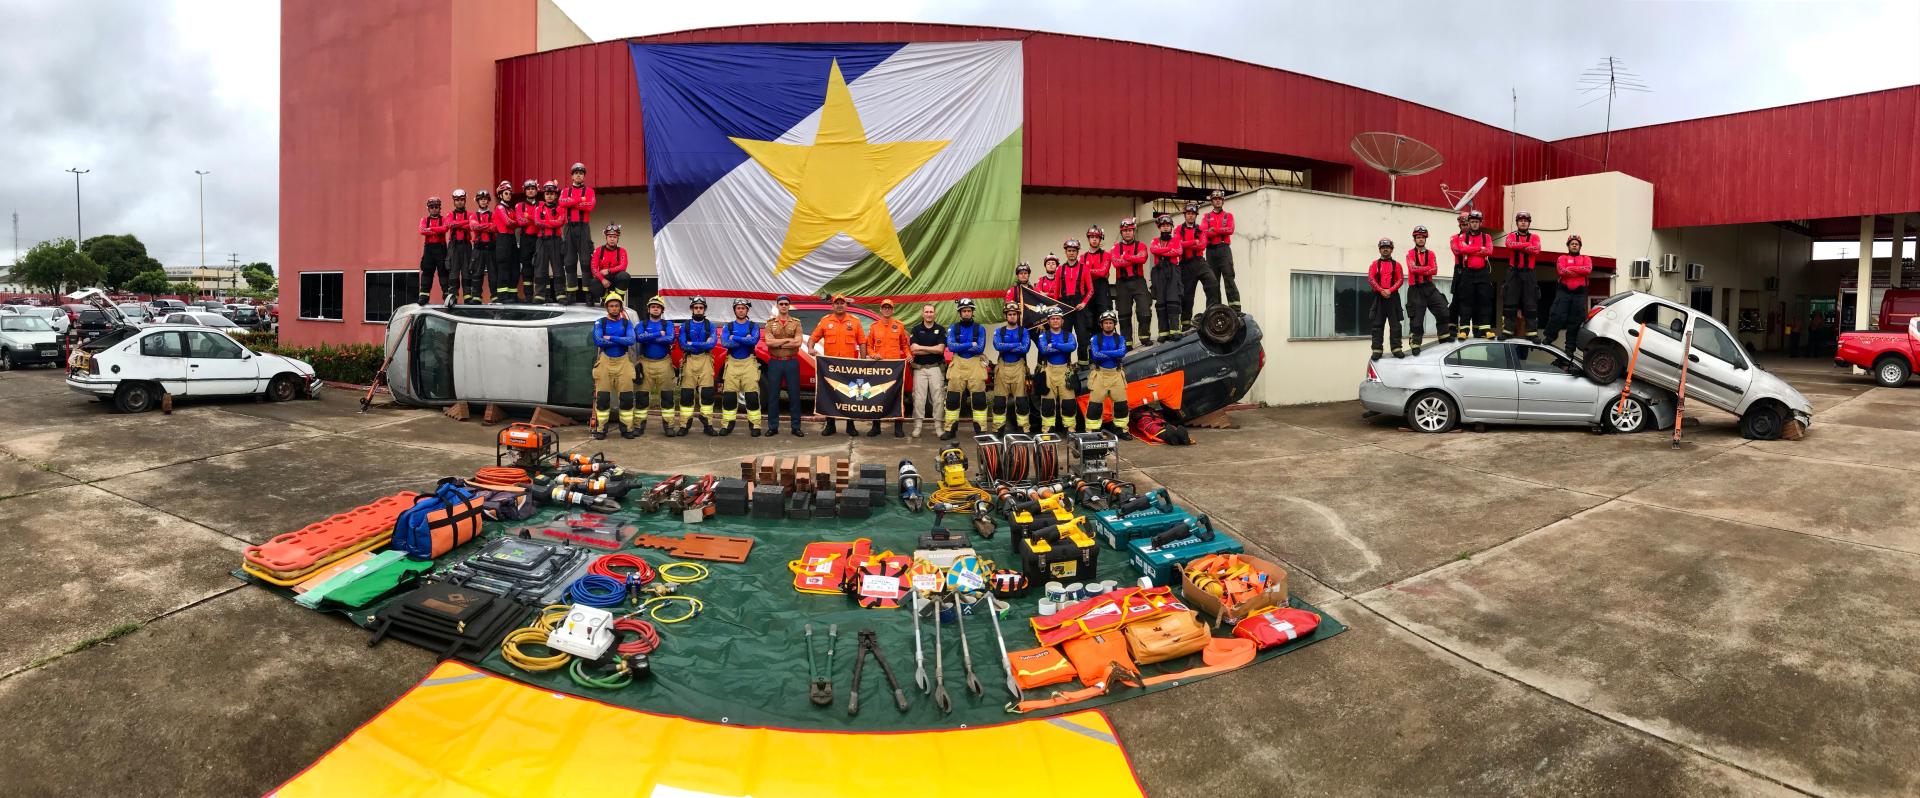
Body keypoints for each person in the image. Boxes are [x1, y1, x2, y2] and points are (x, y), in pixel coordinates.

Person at [809, 294, 866, 438]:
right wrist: (810, 348)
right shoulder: (825, 321)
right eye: (837, 303)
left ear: (846, 305)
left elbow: (862, 342)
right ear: (832, 306)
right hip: (831, 366)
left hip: (849, 366)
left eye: (842, 303)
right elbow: (813, 338)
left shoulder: (854, 321)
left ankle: (850, 425)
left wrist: (864, 360)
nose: (839, 305)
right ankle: (830, 425)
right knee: (830, 395)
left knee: (851, 395)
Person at [589, 291, 639, 440]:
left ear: (620, 308)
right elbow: (598, 341)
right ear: (607, 308)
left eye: (617, 306)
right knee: (603, 399)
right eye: (611, 306)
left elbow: (631, 340)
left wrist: (610, 337)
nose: (614, 308)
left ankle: (627, 429)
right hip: (605, 361)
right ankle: (601, 429)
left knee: (626, 398)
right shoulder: (600, 322)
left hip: (624, 361)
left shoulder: (626, 323)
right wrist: (620, 339)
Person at [941, 298, 988, 440]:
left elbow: (980, 348)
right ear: (960, 313)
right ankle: (950, 430)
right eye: (964, 311)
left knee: (979, 399)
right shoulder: (953, 328)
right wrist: (970, 343)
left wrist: (961, 344)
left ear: (972, 312)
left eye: (969, 311)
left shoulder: (980, 328)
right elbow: (951, 347)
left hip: (975, 365)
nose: (966, 313)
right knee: (952, 399)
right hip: (958, 364)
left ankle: (981, 430)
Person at [632, 296, 678, 437]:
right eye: (653, 307)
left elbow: (670, 338)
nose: (655, 309)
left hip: (664, 362)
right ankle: (638, 426)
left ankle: (669, 426)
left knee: (667, 397)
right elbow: (639, 338)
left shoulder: (668, 324)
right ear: (648, 309)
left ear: (662, 310)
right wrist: (659, 335)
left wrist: (649, 336)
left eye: (658, 307)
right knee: (642, 397)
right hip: (645, 362)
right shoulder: (641, 324)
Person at [718, 298, 764, 437]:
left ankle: (755, 425)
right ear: (734, 310)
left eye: (743, 308)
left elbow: (753, 341)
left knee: (752, 396)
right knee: (729, 397)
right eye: (738, 308)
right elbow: (726, 343)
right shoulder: (728, 326)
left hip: (749, 362)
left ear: (747, 310)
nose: (741, 310)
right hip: (732, 362)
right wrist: (744, 338)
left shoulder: (753, 326)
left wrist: (735, 337)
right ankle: (727, 424)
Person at [674, 297, 719, 436]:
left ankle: (708, 424)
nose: (698, 309)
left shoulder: (710, 326)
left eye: (701, 307)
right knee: (686, 395)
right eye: (696, 307)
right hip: (689, 360)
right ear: (691, 309)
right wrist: (702, 343)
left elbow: (712, 344)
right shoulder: (685, 326)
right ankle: (684, 425)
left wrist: (692, 343)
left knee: (707, 394)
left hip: (705, 359)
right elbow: (682, 345)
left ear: (704, 309)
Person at [865, 298, 910, 437]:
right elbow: (868, 346)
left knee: (897, 397)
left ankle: (898, 427)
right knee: (875, 395)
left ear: (892, 310)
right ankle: (875, 426)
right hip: (879, 367)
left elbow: (905, 345)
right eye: (884, 307)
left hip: (895, 368)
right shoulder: (874, 326)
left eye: (889, 308)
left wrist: (908, 354)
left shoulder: (899, 326)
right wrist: (873, 355)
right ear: (880, 309)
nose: (887, 310)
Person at [763, 295, 807, 437]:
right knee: (773, 396)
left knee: (794, 395)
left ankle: (796, 427)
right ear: (777, 306)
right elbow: (769, 342)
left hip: (791, 362)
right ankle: (773, 427)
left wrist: (779, 342)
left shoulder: (796, 323)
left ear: (789, 306)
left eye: (786, 304)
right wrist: (788, 339)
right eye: (781, 304)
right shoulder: (770, 323)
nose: (783, 306)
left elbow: (798, 342)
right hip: (775, 361)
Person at [1404, 225, 1452, 355]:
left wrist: (1422, 269)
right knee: (1417, 320)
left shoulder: (1431, 254)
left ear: (1426, 239)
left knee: (1444, 311)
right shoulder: (1409, 254)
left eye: (1422, 237)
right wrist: (1427, 268)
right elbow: (1412, 269)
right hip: (1415, 289)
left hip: (1429, 287)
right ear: (1414, 239)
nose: (1420, 239)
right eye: (1418, 237)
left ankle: (1444, 338)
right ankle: (1415, 344)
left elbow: (1434, 270)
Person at [1086, 310, 1132, 439]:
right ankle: (1093, 431)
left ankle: (1122, 430)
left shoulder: (1120, 338)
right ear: (1101, 325)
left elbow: (1122, 353)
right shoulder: (1095, 338)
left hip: (1116, 374)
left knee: (1121, 405)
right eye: (1105, 323)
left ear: (1114, 324)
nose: (1108, 325)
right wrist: (1113, 352)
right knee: (1094, 406)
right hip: (1099, 374)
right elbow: (1095, 355)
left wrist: (1105, 352)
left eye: (1110, 323)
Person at [1450, 210, 1496, 340]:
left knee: (1484, 300)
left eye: (1476, 222)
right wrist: (1479, 249)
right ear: (1468, 223)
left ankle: (1486, 329)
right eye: (1472, 222)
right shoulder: (1462, 237)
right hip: (1467, 272)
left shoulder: (1486, 237)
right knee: (1465, 300)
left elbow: (1490, 250)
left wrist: (1471, 249)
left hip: (1482, 272)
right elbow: (1461, 249)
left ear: (1480, 223)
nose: (1474, 224)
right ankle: (1464, 329)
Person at [1542, 235, 1592, 351]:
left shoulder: (1586, 258)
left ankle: (1570, 347)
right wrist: (1579, 270)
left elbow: (1588, 270)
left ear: (1580, 246)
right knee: (1557, 314)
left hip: (1579, 293)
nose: (1574, 245)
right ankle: (1549, 337)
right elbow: (1561, 271)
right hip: (1564, 291)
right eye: (1572, 243)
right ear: (1568, 246)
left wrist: (1570, 269)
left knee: (1576, 319)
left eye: (1577, 243)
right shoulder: (1562, 258)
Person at [1035, 306, 1080, 433]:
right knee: (1047, 404)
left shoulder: (1069, 335)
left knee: (1069, 404)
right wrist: (1062, 347)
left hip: (1065, 371)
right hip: (1048, 371)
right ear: (1048, 321)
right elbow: (1044, 350)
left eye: (1058, 318)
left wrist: (1054, 345)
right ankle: (1047, 430)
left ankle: (1071, 429)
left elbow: (1072, 346)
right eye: (1053, 319)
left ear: (1062, 321)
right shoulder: (1043, 336)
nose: (1055, 321)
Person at [990, 302, 1033, 434]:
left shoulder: (1023, 331)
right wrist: (1016, 345)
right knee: (999, 401)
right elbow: (998, 346)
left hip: (1019, 367)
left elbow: (1024, 348)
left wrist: (1007, 345)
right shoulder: (999, 331)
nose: (1012, 316)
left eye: (1015, 314)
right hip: (1002, 366)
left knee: (1021, 401)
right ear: (1006, 316)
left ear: (1018, 315)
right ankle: (998, 429)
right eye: (1010, 314)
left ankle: (1024, 429)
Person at [558, 163, 597, 305]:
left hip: (583, 228)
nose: (578, 175)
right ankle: (571, 294)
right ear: (572, 175)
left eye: (581, 173)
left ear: (584, 176)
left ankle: (588, 295)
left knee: (586, 262)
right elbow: (561, 202)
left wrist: (571, 203)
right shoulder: (565, 191)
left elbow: (590, 205)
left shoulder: (589, 191)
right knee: (569, 262)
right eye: (576, 173)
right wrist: (579, 200)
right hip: (568, 228)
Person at [907, 302, 947, 438]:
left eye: (931, 312)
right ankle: (917, 427)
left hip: (936, 368)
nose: (929, 314)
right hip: (920, 370)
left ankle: (938, 427)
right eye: (927, 312)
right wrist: (932, 349)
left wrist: (922, 348)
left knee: (938, 398)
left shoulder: (940, 329)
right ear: (922, 313)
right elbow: (913, 350)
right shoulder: (916, 329)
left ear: (934, 314)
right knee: (918, 399)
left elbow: (940, 349)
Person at [1502, 211, 1542, 341]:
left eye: (1525, 220)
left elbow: (1536, 250)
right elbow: (1509, 245)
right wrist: (1526, 245)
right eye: (1521, 220)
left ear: (1529, 223)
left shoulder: (1535, 237)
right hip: (1514, 273)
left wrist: (1519, 247)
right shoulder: (1511, 236)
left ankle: (1532, 333)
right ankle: (1507, 331)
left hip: (1529, 273)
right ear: (1517, 223)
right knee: (1510, 304)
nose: (1523, 222)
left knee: (1530, 304)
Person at [1110, 217, 1151, 347]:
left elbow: (1142, 258)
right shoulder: (1116, 247)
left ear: (1134, 231)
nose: (1127, 233)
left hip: (1138, 281)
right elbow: (1116, 263)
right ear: (1121, 233)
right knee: (1123, 314)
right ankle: (1127, 343)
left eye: (1130, 230)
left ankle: (1144, 337)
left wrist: (1126, 257)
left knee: (1144, 310)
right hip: (1122, 283)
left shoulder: (1142, 245)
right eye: (1125, 230)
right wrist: (1134, 258)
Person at [1176, 202, 1216, 331]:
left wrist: (1186, 244)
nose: (1191, 216)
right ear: (1185, 215)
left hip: (1199, 262)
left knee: (1212, 283)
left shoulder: (1200, 229)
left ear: (1196, 215)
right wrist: (1193, 242)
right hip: (1185, 264)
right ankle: (1186, 323)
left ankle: (1210, 313)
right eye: (1188, 214)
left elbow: (1203, 245)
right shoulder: (1178, 229)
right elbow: (1177, 245)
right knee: (1187, 295)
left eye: (1193, 214)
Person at [1367, 238, 1406, 360]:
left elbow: (1400, 280)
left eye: (1388, 247)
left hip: (1393, 296)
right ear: (1379, 249)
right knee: (1377, 324)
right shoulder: (1374, 264)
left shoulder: (1397, 265)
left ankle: (1396, 348)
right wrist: (1381, 290)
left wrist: (1390, 290)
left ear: (1391, 249)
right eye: (1383, 247)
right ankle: (1377, 350)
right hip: (1379, 297)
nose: (1385, 249)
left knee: (1395, 325)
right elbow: (1371, 278)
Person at [1148, 214, 1185, 343]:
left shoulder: (1176, 240)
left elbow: (1178, 252)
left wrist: (1162, 250)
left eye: (1167, 226)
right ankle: (1163, 332)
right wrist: (1169, 250)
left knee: (1174, 301)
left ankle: (1175, 331)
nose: (1165, 228)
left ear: (1171, 228)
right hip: (1159, 272)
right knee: (1161, 303)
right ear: (1159, 228)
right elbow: (1153, 250)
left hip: (1173, 271)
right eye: (1163, 226)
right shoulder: (1154, 240)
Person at [1056, 238, 1094, 360]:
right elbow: (1056, 292)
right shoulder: (1059, 269)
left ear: (1077, 252)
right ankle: (1065, 364)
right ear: (1065, 252)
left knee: (1083, 337)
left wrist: (1083, 303)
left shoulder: (1084, 268)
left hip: (1080, 307)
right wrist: (1058, 310)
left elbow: (1091, 290)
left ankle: (1083, 364)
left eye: (1073, 250)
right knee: (1065, 337)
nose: (1071, 253)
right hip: (1065, 308)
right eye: (1069, 250)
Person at [1202, 190, 1239, 310]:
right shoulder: (1206, 217)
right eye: (1215, 199)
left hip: (1224, 249)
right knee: (1213, 280)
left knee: (1228, 277)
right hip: (1211, 250)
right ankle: (1215, 307)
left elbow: (1230, 229)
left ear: (1223, 201)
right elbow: (1203, 232)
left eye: (1220, 199)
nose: (1217, 200)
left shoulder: (1228, 216)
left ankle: (1235, 307)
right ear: (1212, 201)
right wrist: (1217, 230)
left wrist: (1215, 230)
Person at [532, 182, 565, 303]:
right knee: (540, 269)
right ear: (544, 195)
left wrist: (546, 222)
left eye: (552, 193)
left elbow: (561, 221)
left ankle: (560, 295)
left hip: (556, 241)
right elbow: (537, 222)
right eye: (547, 193)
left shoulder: (561, 208)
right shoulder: (538, 208)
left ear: (556, 195)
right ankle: (539, 295)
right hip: (542, 241)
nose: (549, 196)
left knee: (558, 269)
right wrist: (552, 222)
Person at [490, 181, 519, 303]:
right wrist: (515, 223)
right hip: (503, 239)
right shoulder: (500, 207)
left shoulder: (511, 209)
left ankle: (512, 295)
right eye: (506, 193)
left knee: (514, 267)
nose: (508, 195)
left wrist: (515, 223)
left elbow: (517, 222)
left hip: (511, 239)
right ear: (501, 195)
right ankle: (502, 296)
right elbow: (509, 222)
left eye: (509, 193)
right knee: (503, 268)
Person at [445, 189, 475, 304]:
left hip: (466, 245)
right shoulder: (450, 214)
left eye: (462, 200)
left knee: (467, 271)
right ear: (454, 201)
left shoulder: (470, 214)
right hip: (454, 246)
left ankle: (468, 296)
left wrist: (459, 224)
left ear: (465, 200)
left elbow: (471, 226)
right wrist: (465, 223)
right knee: (453, 272)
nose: (459, 202)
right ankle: (453, 296)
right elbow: (450, 224)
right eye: (457, 200)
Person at [416, 197, 448, 305]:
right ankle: (424, 296)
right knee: (427, 272)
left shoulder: (443, 219)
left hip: (441, 248)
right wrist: (436, 231)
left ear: (440, 208)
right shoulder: (424, 220)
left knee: (443, 272)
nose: (434, 209)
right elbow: (421, 230)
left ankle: (446, 295)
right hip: (429, 249)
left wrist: (430, 229)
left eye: (436, 207)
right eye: (432, 207)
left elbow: (445, 228)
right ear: (428, 209)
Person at [468, 190, 498, 303]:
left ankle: (494, 296)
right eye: (481, 199)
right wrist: (488, 225)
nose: (484, 201)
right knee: (476, 272)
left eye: (485, 199)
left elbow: (495, 228)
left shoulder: (493, 214)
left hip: (491, 247)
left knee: (493, 273)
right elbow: (473, 227)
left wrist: (481, 226)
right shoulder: (473, 215)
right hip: (478, 248)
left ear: (488, 201)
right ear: (478, 201)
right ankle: (476, 297)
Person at [1082, 225, 1113, 323]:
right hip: (1087, 289)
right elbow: (1081, 274)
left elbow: (1102, 272)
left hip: (1102, 289)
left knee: (1104, 317)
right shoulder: (1082, 257)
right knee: (1089, 319)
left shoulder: (1106, 255)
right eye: (1092, 237)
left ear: (1100, 239)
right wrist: (1095, 272)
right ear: (1088, 239)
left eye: (1097, 237)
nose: (1094, 239)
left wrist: (1087, 271)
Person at [516, 180, 541, 301]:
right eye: (528, 188)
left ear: (537, 190)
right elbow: (521, 221)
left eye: (533, 188)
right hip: (526, 239)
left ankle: (542, 295)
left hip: (539, 239)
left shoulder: (541, 204)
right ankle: (528, 295)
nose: (530, 190)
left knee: (540, 266)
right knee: (527, 268)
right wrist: (536, 220)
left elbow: (542, 221)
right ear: (525, 191)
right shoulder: (519, 205)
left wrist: (530, 217)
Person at [591, 224, 630, 300]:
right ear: (606, 237)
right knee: (593, 284)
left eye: (615, 237)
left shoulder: (622, 251)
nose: (612, 239)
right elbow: (593, 268)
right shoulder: (598, 250)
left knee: (624, 276)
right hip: (604, 279)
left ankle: (619, 298)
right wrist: (602, 279)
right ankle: (605, 299)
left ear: (618, 238)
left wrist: (609, 270)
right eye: (610, 237)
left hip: (616, 278)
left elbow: (623, 266)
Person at [1446, 213, 1468, 336]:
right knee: (1456, 299)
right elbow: (1457, 250)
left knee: (1468, 300)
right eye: (1463, 224)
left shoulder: (1475, 237)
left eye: (1466, 224)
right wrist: (1472, 248)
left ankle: (1466, 328)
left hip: (1471, 270)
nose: (1465, 226)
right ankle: (1452, 326)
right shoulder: (1454, 237)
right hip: (1459, 270)